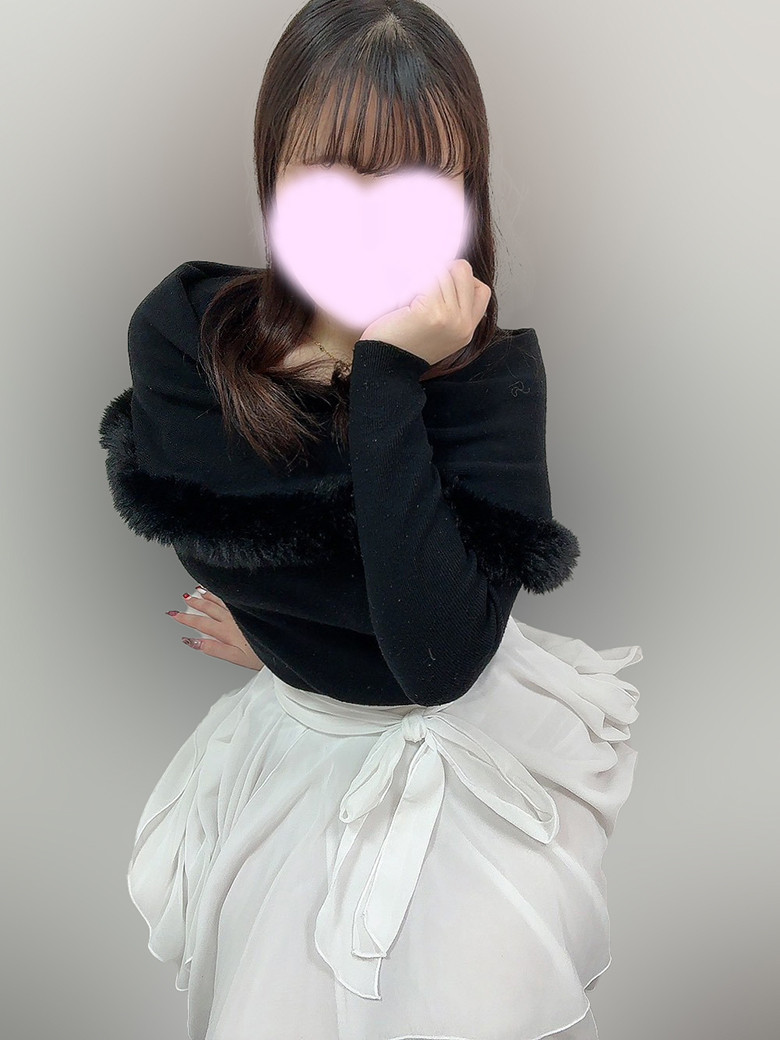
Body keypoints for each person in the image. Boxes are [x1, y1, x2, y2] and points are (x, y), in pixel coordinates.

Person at [98, 3, 643, 1039]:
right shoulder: (187, 334)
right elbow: (225, 551)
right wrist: (333, 623)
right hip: (299, 757)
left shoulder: (491, 378)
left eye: (416, 179)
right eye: (334, 172)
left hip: (460, 767)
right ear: (273, 169)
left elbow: (436, 659)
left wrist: (387, 370)